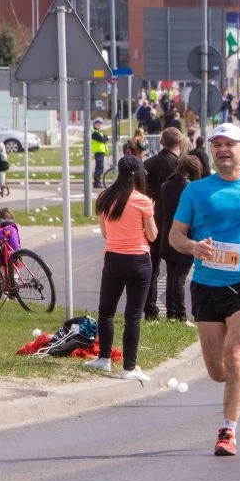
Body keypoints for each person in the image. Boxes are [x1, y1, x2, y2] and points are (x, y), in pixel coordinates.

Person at [168, 123, 240, 456]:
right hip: (206, 286)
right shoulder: (196, 191)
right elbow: (175, 235)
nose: (222, 150)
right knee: (218, 371)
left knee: (234, 356)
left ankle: (227, 432)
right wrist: (192, 247)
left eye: (229, 144)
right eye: (217, 144)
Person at [84, 155, 158, 382]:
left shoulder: (105, 198)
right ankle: (129, 367)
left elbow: (106, 233)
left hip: (113, 259)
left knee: (106, 311)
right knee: (133, 315)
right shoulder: (143, 201)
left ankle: (104, 359)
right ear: (138, 175)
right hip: (139, 261)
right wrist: (150, 212)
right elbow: (153, 236)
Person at [142, 128, 182, 322]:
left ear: (161, 142)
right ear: (180, 143)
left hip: (150, 220)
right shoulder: (179, 166)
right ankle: (174, 312)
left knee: (152, 268)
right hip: (174, 222)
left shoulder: (148, 164)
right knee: (175, 270)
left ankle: (150, 309)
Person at [159, 154, 202, 324]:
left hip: (167, 234)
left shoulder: (165, 185)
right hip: (184, 235)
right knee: (180, 277)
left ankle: (171, 313)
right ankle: (182, 315)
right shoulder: (190, 187)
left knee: (171, 274)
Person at [90, 119, 110, 189]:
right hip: (98, 152)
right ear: (95, 124)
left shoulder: (99, 132)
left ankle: (97, 182)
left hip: (101, 152)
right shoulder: (94, 133)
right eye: (98, 124)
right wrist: (104, 138)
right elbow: (103, 139)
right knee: (99, 167)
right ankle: (97, 182)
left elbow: (106, 138)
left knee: (100, 167)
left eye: (100, 124)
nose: (100, 125)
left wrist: (105, 138)